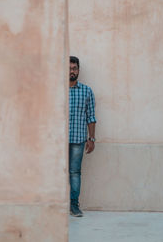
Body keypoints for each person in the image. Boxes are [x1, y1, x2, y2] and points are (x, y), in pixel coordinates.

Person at [69, 56, 97, 217]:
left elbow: (91, 117)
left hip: (78, 140)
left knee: (75, 172)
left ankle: (74, 205)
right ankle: (55, 205)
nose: (71, 71)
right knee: (56, 172)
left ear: (78, 70)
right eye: (68, 68)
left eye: (74, 68)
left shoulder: (87, 91)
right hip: (58, 141)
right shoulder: (56, 89)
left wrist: (91, 139)